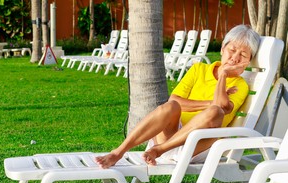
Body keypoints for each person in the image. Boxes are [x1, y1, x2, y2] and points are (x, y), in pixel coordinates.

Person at [95, 24, 261, 169]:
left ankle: (160, 149)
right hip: (171, 133)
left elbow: (221, 109)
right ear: (222, 49)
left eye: (243, 55)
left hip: (198, 144)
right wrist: (209, 102)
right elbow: (175, 100)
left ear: (248, 61)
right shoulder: (198, 69)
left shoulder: (241, 85)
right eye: (232, 50)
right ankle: (118, 152)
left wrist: (224, 76)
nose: (235, 57)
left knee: (215, 112)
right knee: (171, 106)